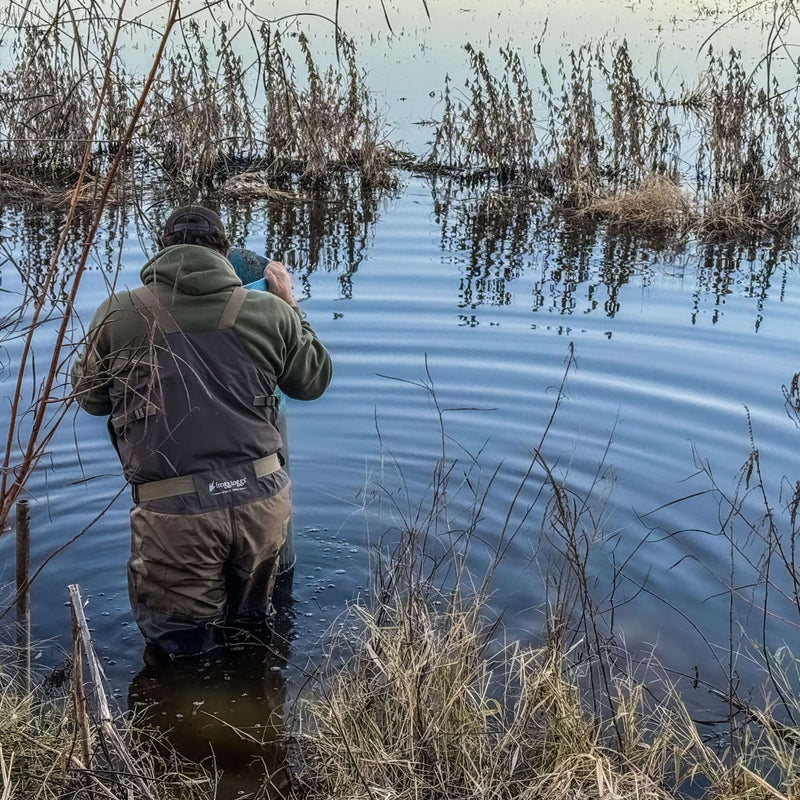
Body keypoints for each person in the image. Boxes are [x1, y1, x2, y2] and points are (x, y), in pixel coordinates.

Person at [71, 206, 332, 658]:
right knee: (256, 640)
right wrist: (290, 304)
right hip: (261, 506)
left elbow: (89, 400)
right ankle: (260, 719)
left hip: (176, 515)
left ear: (162, 248)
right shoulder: (270, 311)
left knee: (183, 655)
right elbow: (312, 382)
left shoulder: (118, 313)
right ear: (224, 252)